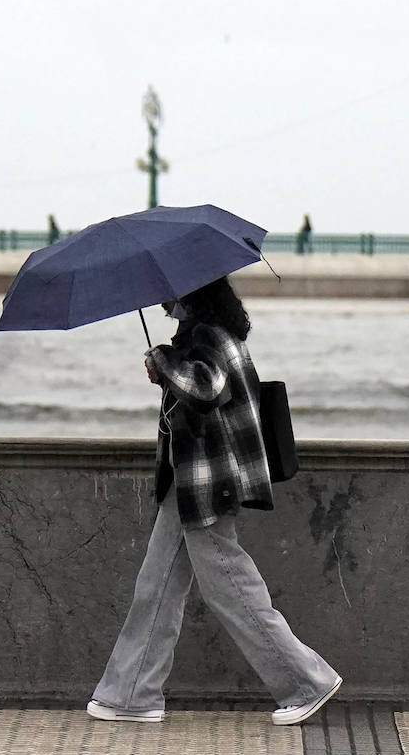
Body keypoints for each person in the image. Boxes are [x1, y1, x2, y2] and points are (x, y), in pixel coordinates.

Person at [88, 276, 342, 726]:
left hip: (208, 482)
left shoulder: (208, 337)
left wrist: (163, 361)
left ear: (193, 294)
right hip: (189, 482)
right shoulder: (203, 335)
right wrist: (166, 366)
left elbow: (206, 389)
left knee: (231, 587)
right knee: (157, 587)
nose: (163, 302)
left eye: (171, 294)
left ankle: (306, 682)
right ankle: (130, 694)